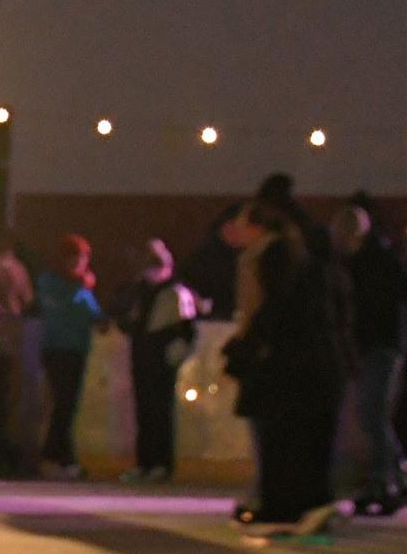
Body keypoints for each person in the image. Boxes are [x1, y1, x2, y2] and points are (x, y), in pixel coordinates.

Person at [223, 199, 351, 536]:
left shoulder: (273, 257)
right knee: (295, 437)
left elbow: (275, 308)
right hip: (305, 365)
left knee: (286, 436)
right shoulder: (293, 259)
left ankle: (288, 506)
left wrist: (246, 347)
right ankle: (296, 503)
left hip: (294, 366)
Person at [330, 204, 407, 515]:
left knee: (371, 415)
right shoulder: (378, 261)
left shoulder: (369, 265)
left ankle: (389, 476)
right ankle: (388, 477)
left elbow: (370, 310)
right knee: (371, 415)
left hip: (378, 347)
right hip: (380, 346)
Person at [116, 239, 200, 483]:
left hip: (161, 357)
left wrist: (174, 355)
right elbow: (128, 320)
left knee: (160, 412)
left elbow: (186, 331)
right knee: (144, 412)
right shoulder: (141, 292)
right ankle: (145, 463)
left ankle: (161, 463)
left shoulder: (176, 293)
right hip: (143, 353)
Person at [34, 234, 103, 479]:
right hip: (62, 349)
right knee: (64, 404)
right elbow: (83, 313)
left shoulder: (71, 286)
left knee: (66, 405)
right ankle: (56, 456)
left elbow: (94, 316)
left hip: (70, 349)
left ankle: (60, 456)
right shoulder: (64, 286)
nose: (80, 263)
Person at [0, 231, 35, 477]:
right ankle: (1, 455)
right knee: (5, 399)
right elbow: (27, 299)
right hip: (11, 335)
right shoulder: (17, 269)